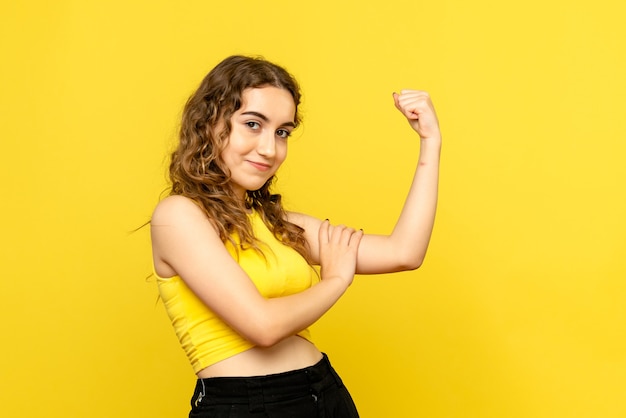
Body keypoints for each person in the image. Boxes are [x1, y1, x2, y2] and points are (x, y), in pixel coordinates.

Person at [150, 55, 441, 417]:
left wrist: (430, 142)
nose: (270, 149)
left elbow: (404, 252)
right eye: (253, 124)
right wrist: (335, 280)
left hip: (325, 394)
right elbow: (263, 326)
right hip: (248, 407)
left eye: (282, 132)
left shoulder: (278, 224)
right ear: (209, 123)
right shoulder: (178, 217)